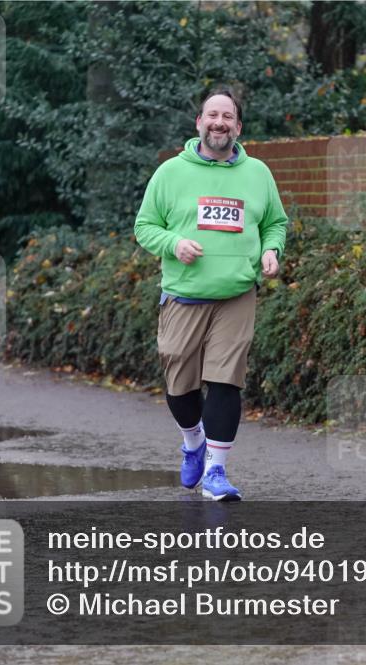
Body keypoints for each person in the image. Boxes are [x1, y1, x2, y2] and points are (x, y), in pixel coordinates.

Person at [133, 89, 287, 501]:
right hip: (184, 293)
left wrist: (272, 250)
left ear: (238, 127)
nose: (219, 122)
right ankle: (193, 441)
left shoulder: (257, 173)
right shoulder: (170, 173)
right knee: (180, 386)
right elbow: (145, 226)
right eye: (212, 115)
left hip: (237, 292)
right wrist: (173, 244)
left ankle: (216, 473)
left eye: (228, 117)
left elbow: (275, 222)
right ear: (199, 123)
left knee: (225, 381)